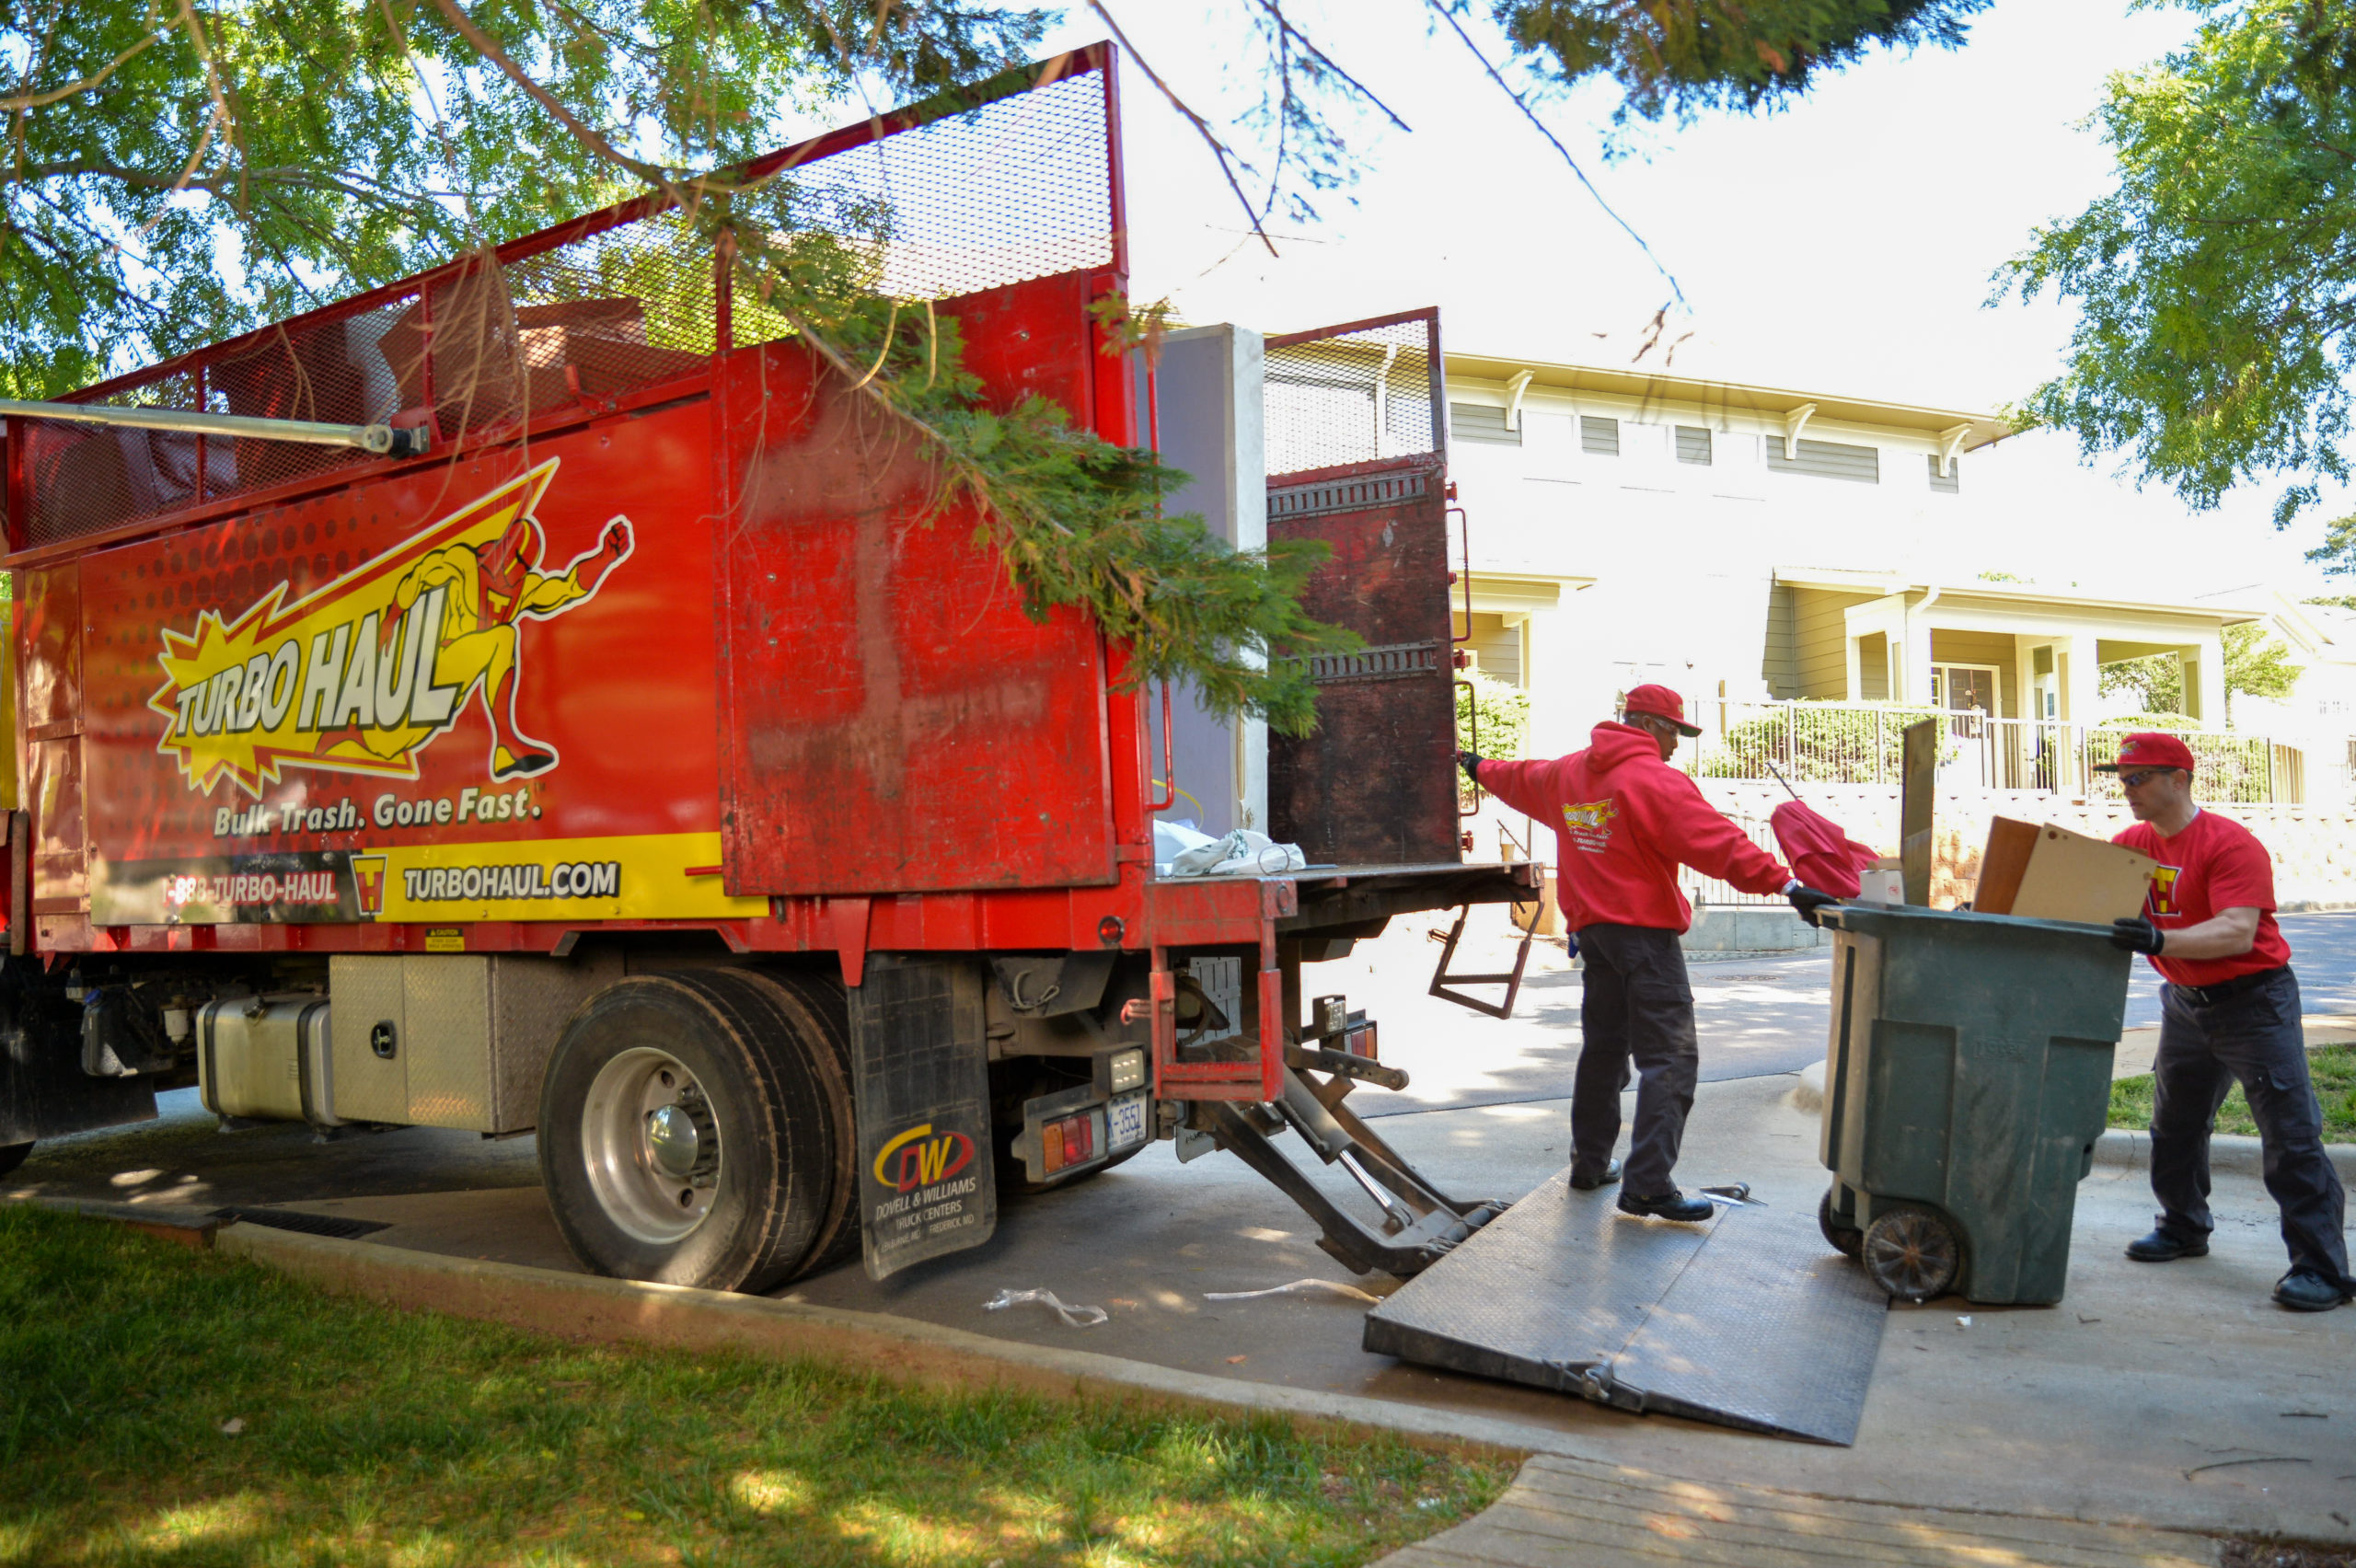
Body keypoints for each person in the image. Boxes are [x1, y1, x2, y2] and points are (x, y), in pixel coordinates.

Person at [1462, 684, 1839, 1222]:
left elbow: (1516, 778)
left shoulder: (1568, 774)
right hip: (1643, 938)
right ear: (1647, 725)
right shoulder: (1653, 781)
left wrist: (1475, 764)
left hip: (1594, 938)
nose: (1677, 746)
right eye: (1675, 733)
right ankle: (1647, 1185)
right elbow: (1716, 841)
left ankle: (1590, 1164)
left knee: (1605, 1052)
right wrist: (1787, 886)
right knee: (1670, 1058)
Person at [2103, 732, 2352, 1312]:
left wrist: (2160, 938)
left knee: (2290, 1137)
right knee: (2175, 1126)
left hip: (2254, 1003)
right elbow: (2088, 898)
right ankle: (2183, 1226)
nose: (2127, 789)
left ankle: (2322, 1270)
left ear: (2179, 779)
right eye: (2122, 778)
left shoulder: (2230, 844)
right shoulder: (2131, 845)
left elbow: (2237, 930)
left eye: (2139, 777)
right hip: (2186, 1002)